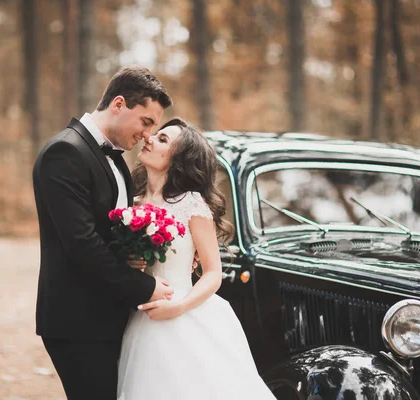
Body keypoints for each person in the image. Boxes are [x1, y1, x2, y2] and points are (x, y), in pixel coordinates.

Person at [32, 66, 175, 400]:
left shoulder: (114, 157)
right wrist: (145, 287)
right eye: (146, 122)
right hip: (78, 321)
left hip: (108, 315)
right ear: (118, 104)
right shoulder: (64, 152)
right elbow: (82, 244)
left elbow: (113, 235)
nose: (148, 134)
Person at [117, 118, 276, 399]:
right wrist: (131, 262)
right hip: (140, 313)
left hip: (183, 312)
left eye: (163, 139)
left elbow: (213, 273)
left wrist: (178, 307)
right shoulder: (133, 202)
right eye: (156, 134)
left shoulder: (191, 204)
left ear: (178, 159)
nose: (150, 138)